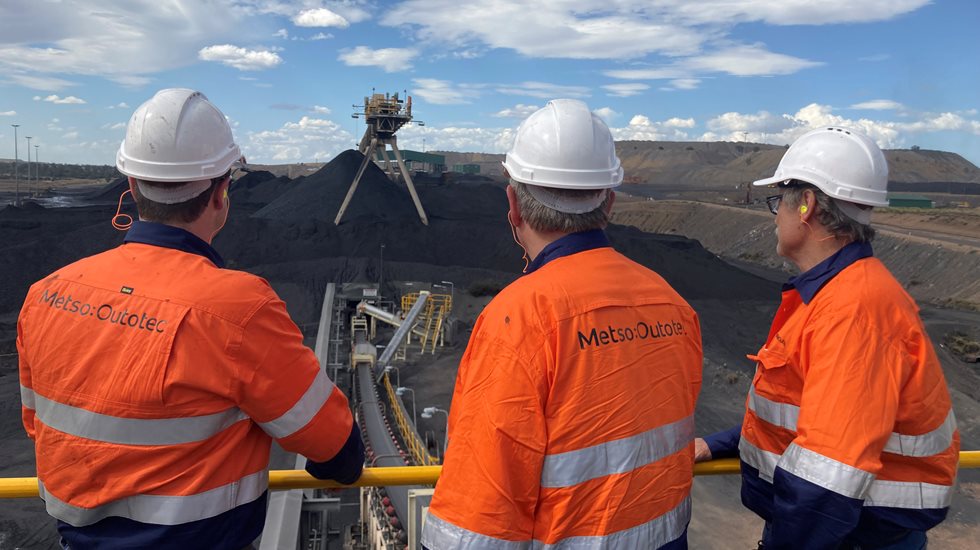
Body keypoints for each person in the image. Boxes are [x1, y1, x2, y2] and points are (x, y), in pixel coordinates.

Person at [16, 88, 364, 549]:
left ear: (133, 187)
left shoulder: (46, 294)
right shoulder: (238, 309)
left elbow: (40, 426)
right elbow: (338, 452)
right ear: (222, 193)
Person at [421, 99, 703, 549]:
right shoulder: (672, 304)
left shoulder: (518, 319)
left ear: (513, 204)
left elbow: (479, 515)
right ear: (608, 201)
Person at [696, 127, 959, 549]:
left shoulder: (854, 310)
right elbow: (810, 418)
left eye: (777, 201)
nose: (776, 216)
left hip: (849, 537)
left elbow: (826, 479)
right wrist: (718, 444)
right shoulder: (837, 294)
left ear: (806, 204)